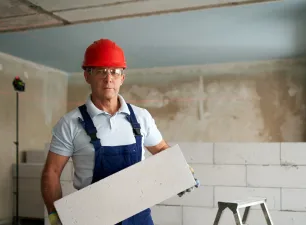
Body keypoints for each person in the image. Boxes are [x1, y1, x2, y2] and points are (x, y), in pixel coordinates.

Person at [40, 39, 199, 225]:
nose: (108, 79)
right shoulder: (70, 123)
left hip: (139, 217)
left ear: (122, 77)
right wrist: (54, 214)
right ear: (87, 76)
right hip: (92, 219)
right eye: (101, 71)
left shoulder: (141, 117)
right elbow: (51, 171)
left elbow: (161, 148)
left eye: (115, 72)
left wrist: (179, 170)